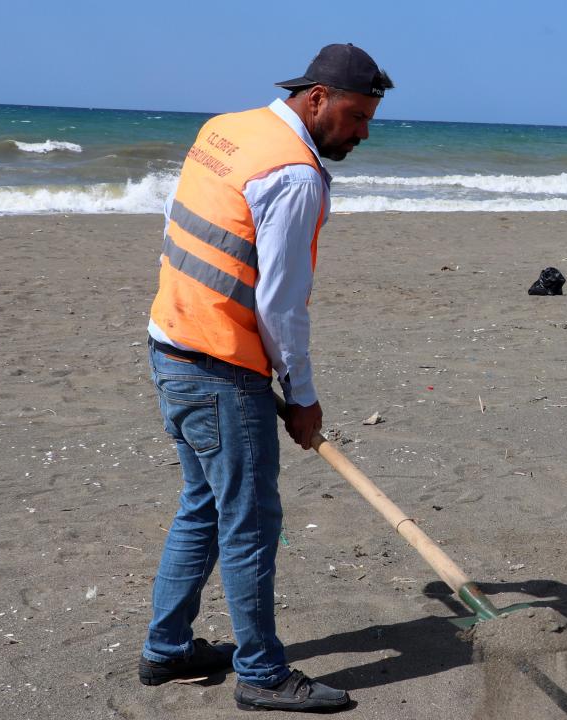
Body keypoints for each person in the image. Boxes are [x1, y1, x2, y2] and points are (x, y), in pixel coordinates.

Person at [137, 43, 393, 713]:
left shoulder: (226, 129)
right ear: (316, 98)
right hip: (220, 369)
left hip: (171, 344)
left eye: (369, 119)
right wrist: (301, 397)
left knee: (204, 505)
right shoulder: (295, 175)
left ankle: (166, 652)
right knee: (249, 523)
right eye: (357, 115)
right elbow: (280, 304)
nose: (362, 132)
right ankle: (261, 674)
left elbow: (181, 227)